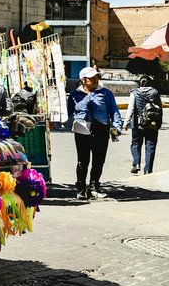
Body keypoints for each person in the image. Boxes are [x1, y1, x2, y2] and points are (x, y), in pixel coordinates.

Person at [67, 66, 122, 200]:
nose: (95, 80)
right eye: (92, 78)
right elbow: (68, 112)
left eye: (97, 77)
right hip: (82, 129)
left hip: (101, 129)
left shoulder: (105, 93)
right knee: (82, 160)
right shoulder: (75, 95)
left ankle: (94, 187)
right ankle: (81, 188)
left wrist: (116, 130)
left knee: (99, 160)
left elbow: (114, 112)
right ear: (83, 80)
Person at [124, 75, 161, 175]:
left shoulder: (135, 93)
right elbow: (159, 109)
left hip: (137, 124)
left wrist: (126, 123)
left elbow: (131, 109)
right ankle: (148, 169)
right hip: (152, 124)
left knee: (136, 144)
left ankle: (136, 164)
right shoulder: (155, 92)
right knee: (150, 146)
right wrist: (159, 124)